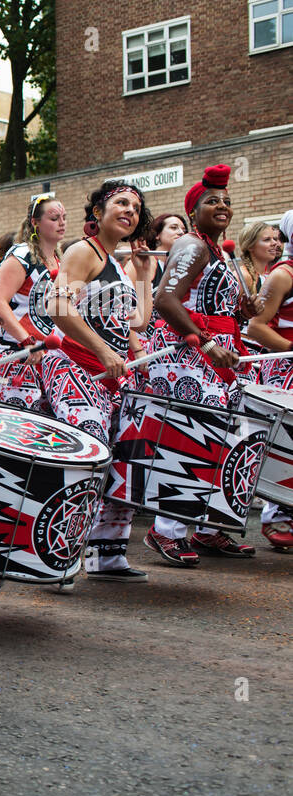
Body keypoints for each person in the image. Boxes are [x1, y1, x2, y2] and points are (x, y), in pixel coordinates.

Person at [145, 164, 257, 563]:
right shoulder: (192, 246)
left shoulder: (217, 252)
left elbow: (209, 304)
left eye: (226, 201)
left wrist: (241, 312)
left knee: (222, 440)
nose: (222, 206)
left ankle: (210, 529)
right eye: (212, 201)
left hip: (215, 354)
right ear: (193, 211)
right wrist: (207, 345)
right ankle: (166, 531)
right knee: (188, 439)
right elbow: (165, 301)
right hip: (188, 356)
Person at [47, 181, 154, 581]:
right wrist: (103, 350)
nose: (130, 210)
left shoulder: (119, 265)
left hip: (109, 378)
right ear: (98, 212)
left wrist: (143, 272)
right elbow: (57, 305)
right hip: (75, 368)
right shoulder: (83, 252)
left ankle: (106, 555)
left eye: (136, 207)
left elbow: (136, 322)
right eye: (121, 203)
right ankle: (57, 555)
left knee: (128, 454)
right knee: (86, 455)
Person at [0, 194, 65, 415]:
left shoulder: (60, 261)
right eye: (54, 218)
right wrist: (27, 341)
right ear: (35, 222)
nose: (62, 222)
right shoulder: (22, 255)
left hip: (47, 360)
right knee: (18, 432)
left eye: (64, 217)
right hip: (16, 355)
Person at [241, 210, 293, 549]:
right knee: (286, 443)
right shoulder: (284, 275)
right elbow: (257, 327)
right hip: (285, 368)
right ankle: (277, 517)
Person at [237, 219, 282, 299]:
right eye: (267, 239)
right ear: (250, 246)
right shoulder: (243, 276)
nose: (275, 243)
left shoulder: (267, 275)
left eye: (274, 239)